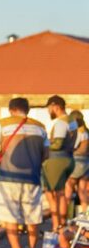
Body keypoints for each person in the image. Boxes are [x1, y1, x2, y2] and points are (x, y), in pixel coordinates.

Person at [0, 97, 48, 248]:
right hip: (32, 178)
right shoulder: (40, 127)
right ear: (27, 110)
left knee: (10, 217)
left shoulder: (3, 123)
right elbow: (46, 154)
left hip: (8, 178)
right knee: (33, 218)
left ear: (11, 110)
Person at [43, 95, 77, 236]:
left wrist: (45, 144)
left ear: (55, 106)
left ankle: (57, 226)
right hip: (69, 159)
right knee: (61, 194)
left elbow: (57, 144)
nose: (49, 111)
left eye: (49, 108)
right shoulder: (72, 121)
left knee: (52, 194)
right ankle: (62, 225)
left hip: (57, 160)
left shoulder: (61, 123)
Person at [66, 110, 89, 217]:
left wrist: (71, 151)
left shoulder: (79, 133)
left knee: (69, 185)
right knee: (83, 190)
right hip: (86, 164)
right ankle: (86, 215)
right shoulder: (86, 132)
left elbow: (81, 150)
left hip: (77, 162)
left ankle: (65, 214)